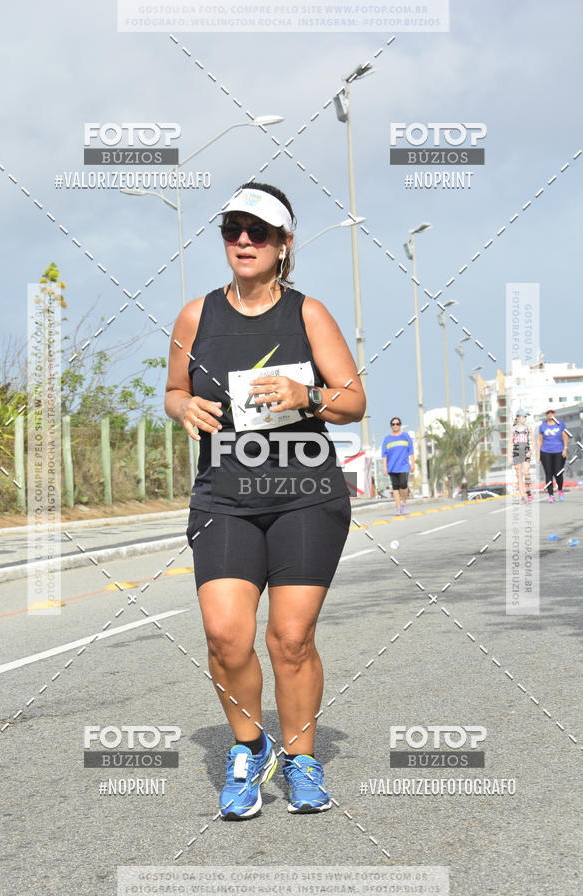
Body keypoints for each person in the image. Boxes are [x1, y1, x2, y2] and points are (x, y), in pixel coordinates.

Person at [164, 182, 366, 820]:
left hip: (305, 493)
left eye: (258, 231)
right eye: (232, 229)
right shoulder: (196, 316)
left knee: (290, 638)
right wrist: (183, 406)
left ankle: (303, 760)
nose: (243, 241)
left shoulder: (308, 314)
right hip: (224, 494)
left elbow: (353, 400)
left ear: (283, 244)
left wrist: (307, 397)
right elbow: (172, 390)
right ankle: (249, 751)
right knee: (225, 635)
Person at [381, 417, 414, 514]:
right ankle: (398, 507)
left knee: (403, 484)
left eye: (397, 424)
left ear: (400, 425)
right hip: (392, 466)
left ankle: (404, 503)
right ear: (391, 426)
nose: (395, 426)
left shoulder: (406, 436)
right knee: (395, 487)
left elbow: (411, 451)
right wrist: (384, 467)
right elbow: (384, 454)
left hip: (404, 466)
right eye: (393, 424)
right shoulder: (387, 439)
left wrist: (412, 463)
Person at [537, 408, 568, 502]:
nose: (550, 414)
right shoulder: (542, 426)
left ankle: (560, 490)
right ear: (546, 414)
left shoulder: (560, 424)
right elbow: (540, 441)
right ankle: (551, 495)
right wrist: (538, 455)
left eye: (552, 412)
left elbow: (565, 437)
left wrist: (565, 449)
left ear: (554, 413)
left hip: (559, 451)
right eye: (548, 413)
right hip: (545, 452)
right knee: (548, 473)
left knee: (558, 473)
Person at [511, 409, 533, 503]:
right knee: (519, 475)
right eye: (524, 417)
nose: (525, 419)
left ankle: (528, 490)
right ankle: (522, 496)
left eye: (525, 417)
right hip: (516, 452)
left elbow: (533, 441)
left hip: (526, 451)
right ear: (518, 418)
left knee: (526, 473)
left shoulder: (528, 428)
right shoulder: (513, 429)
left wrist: (531, 451)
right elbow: (510, 442)